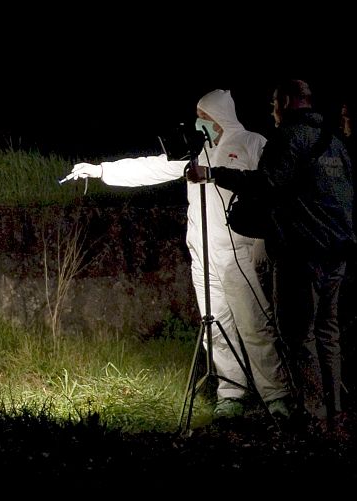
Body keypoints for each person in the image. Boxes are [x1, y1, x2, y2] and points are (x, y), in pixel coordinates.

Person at [65, 89, 292, 421]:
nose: (201, 123)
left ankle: (277, 395)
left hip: (238, 253)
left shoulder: (251, 143)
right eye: (199, 117)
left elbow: (271, 189)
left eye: (206, 117)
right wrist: (102, 171)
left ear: (221, 117)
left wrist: (263, 242)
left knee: (255, 324)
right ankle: (231, 392)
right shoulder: (195, 152)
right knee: (214, 326)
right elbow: (151, 169)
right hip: (203, 254)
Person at [187, 80, 356, 429]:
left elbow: (267, 185)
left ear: (291, 102)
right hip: (336, 249)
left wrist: (216, 175)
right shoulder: (334, 141)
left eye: (275, 102)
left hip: (302, 250)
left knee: (298, 335)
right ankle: (334, 410)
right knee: (328, 332)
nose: (272, 110)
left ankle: (312, 413)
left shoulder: (286, 139)